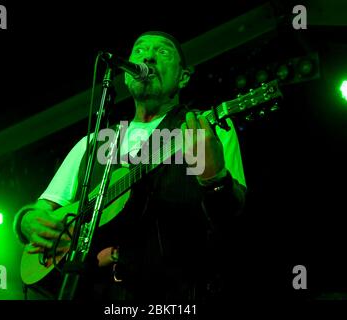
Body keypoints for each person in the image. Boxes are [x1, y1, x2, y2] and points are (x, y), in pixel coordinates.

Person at [13, 31, 247, 301]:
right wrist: (27, 221)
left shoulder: (207, 128)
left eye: (162, 52)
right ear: (126, 74)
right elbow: (45, 209)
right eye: (140, 50)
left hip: (177, 294)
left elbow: (233, 221)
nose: (147, 56)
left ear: (183, 76)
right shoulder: (94, 142)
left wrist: (214, 179)